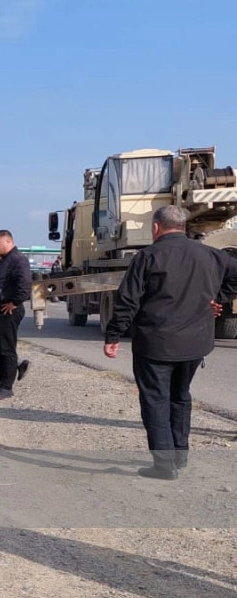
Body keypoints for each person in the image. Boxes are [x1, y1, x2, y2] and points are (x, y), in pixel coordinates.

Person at [104, 205, 237, 479]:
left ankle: (164, 465)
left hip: (156, 344)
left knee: (155, 401)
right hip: (195, 344)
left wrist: (114, 335)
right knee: (180, 397)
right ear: (183, 226)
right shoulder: (210, 254)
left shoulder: (148, 256)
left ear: (156, 227)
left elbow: (127, 300)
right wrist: (219, 297)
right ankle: (180, 456)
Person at [0, 230, 32, 400]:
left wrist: (15, 302)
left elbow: (24, 284)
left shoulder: (18, 260)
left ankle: (6, 387)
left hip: (7, 310)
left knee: (6, 349)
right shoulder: (5, 261)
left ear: (7, 241)